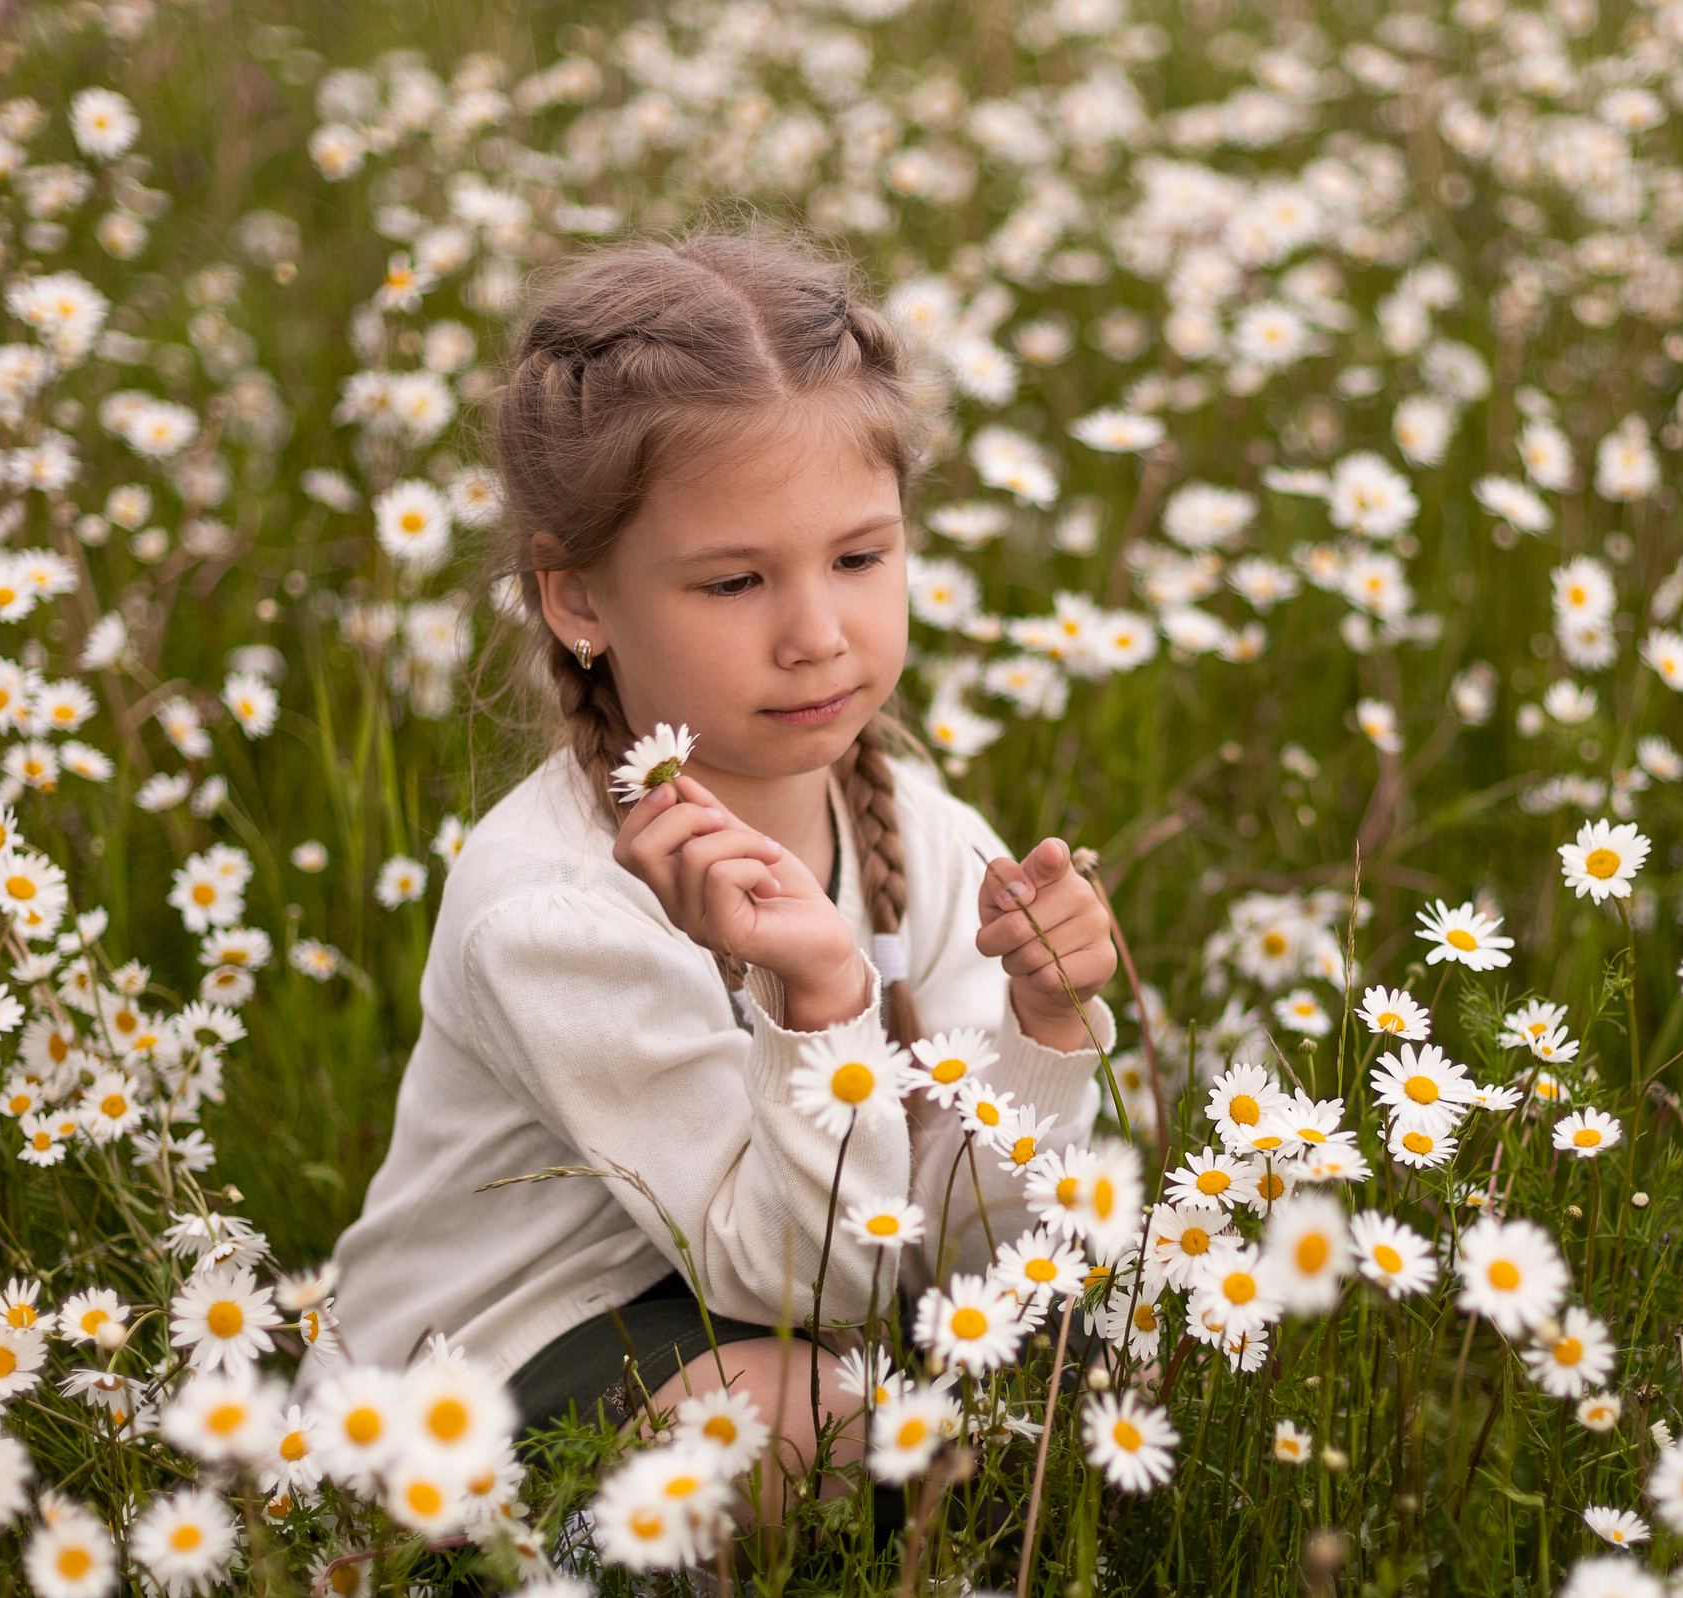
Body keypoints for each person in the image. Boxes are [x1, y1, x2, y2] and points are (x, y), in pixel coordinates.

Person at [318, 228, 1119, 1493]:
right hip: (472, 1380)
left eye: (859, 558)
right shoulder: (554, 910)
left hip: (737, 1319)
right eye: (736, 580)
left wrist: (1045, 1027)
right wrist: (822, 1007)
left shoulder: (924, 833)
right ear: (579, 600)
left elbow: (967, 1259)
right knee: (810, 1415)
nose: (815, 635)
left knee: (1092, 1320)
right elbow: (804, 1280)